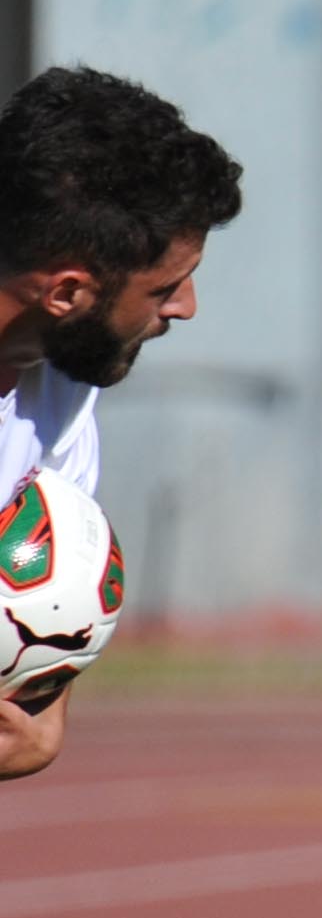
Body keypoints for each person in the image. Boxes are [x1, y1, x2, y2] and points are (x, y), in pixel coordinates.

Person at [0, 67, 242, 783]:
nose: (187, 308)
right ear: (68, 291)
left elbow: (42, 653)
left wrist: (35, 730)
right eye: (165, 287)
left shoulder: (61, 394)